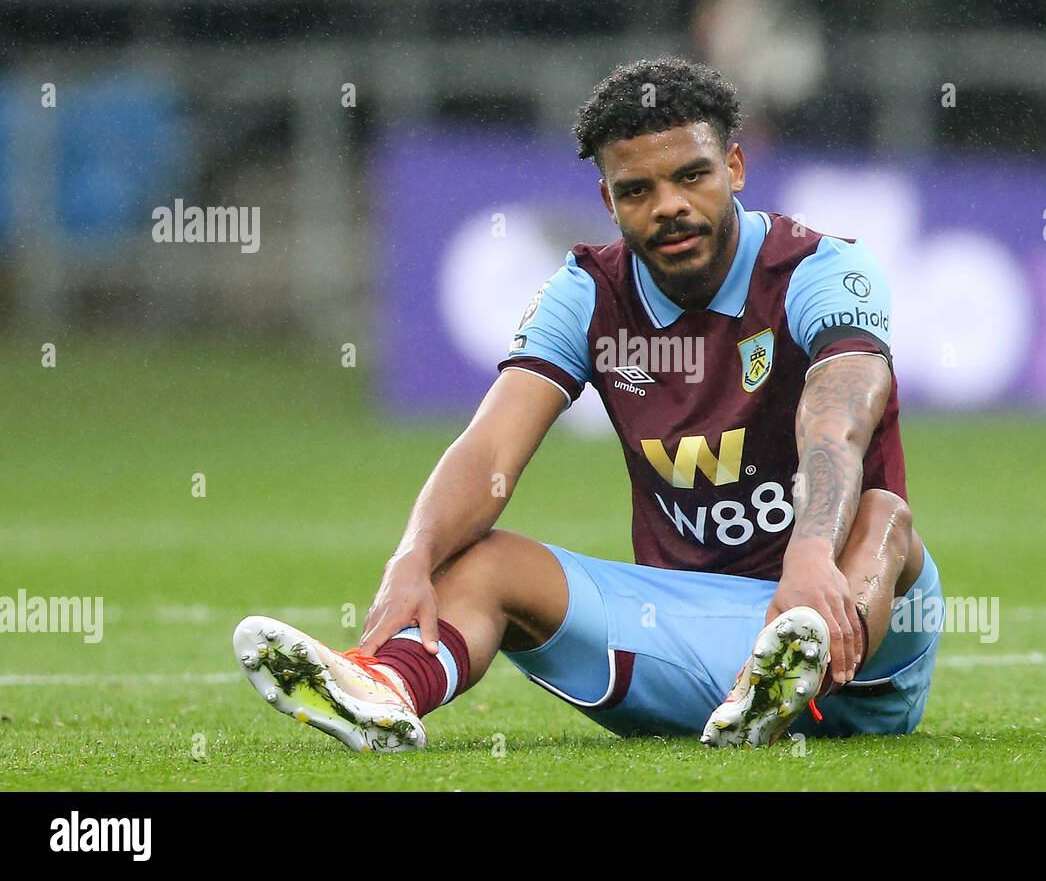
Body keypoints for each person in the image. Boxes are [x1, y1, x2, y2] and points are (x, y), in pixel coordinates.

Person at [233, 55, 943, 752]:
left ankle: (797, 668)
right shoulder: (586, 293)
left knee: (884, 519)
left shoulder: (819, 269)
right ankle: (384, 691)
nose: (669, 206)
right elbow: (490, 450)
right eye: (637, 190)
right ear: (609, 201)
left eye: (691, 176)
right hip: (692, 635)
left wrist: (812, 553)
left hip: (854, 626)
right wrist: (412, 557)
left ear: (734, 167)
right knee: (481, 561)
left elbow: (837, 419)